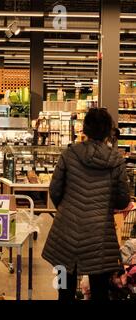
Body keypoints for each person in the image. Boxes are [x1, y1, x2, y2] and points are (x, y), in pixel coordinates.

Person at [42, 107, 130, 301]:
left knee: (64, 288)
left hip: (65, 232)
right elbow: (124, 199)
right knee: (99, 291)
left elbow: (55, 190)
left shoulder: (69, 154)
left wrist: (66, 208)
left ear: (84, 128)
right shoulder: (115, 160)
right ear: (108, 130)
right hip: (100, 235)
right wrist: (104, 203)